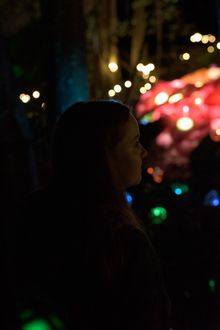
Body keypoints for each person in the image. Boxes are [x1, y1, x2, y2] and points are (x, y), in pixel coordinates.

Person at [16, 100, 171, 330]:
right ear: (106, 155)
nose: (144, 152)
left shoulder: (30, 216)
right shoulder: (122, 240)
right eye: (135, 143)